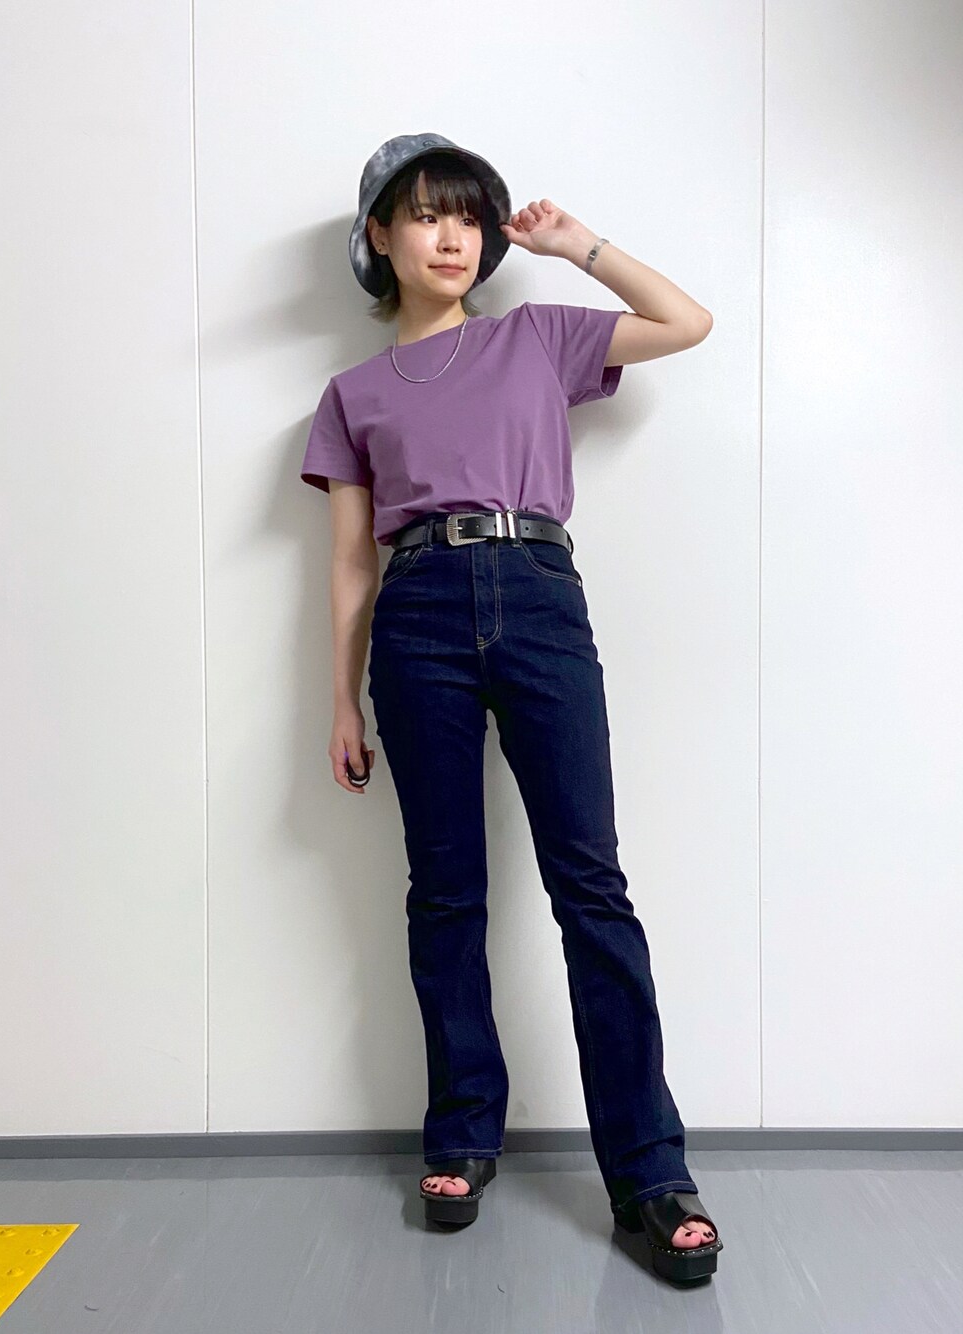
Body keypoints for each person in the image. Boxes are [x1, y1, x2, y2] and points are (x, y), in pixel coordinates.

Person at [300, 133, 723, 1284]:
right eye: (425, 213)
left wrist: (575, 243)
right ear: (379, 234)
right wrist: (340, 700)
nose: (453, 236)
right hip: (417, 612)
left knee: (589, 883)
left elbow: (686, 322)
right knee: (445, 891)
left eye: (469, 217)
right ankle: (460, 1133)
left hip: (537, 592)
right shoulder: (350, 395)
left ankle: (649, 1169)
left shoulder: (533, 336)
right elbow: (348, 561)